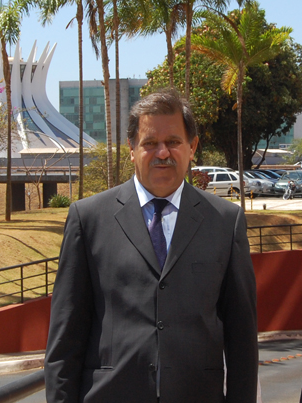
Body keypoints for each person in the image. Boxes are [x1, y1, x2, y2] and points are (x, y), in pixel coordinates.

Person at [44, 89, 258, 402]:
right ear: (131, 149)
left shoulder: (226, 222)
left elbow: (242, 339)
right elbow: (65, 337)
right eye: (150, 143)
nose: (162, 153)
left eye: (173, 142)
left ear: (192, 147)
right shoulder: (88, 219)